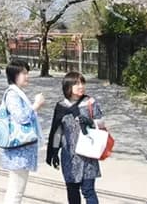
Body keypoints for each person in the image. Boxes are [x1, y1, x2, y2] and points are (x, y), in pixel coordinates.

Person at [46, 71, 105, 204]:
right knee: (72, 192)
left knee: (88, 191)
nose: (81, 86)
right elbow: (57, 131)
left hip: (87, 155)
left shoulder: (90, 102)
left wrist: (90, 122)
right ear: (68, 87)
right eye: (77, 83)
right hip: (69, 157)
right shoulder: (61, 106)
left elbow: (101, 124)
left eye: (82, 83)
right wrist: (54, 152)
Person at [0, 59, 45, 204]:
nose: (27, 76)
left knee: (16, 190)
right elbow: (22, 117)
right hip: (18, 150)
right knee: (16, 192)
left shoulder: (17, 93)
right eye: (23, 73)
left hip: (20, 150)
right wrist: (36, 104)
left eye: (27, 73)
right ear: (14, 75)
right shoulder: (13, 94)